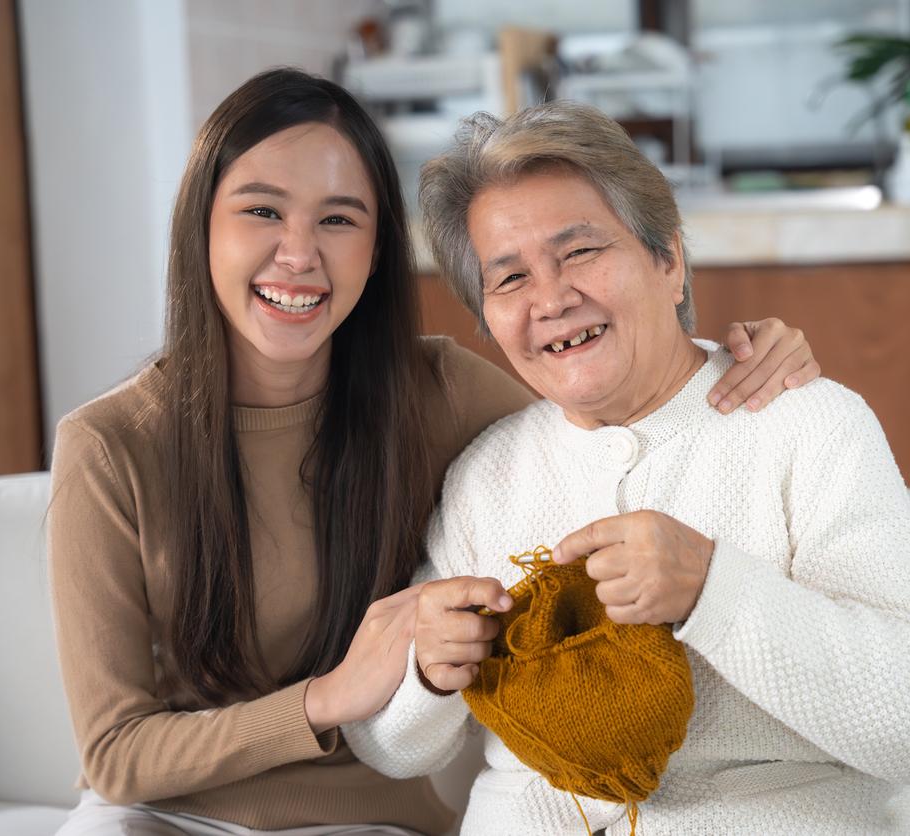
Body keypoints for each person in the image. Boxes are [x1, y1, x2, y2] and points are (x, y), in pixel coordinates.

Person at [47, 70, 819, 835]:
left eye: (339, 220)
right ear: (200, 229)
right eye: (261, 211)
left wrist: (731, 356)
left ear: (379, 248)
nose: (298, 253)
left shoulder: (436, 391)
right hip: (155, 820)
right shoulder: (109, 448)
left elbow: (619, 421)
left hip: (369, 824)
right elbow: (115, 753)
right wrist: (330, 696)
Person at [342, 101, 910, 836]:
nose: (551, 299)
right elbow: (391, 746)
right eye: (509, 279)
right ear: (488, 320)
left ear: (668, 260)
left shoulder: (808, 423)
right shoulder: (485, 475)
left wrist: (715, 588)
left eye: (580, 252)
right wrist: (429, 671)